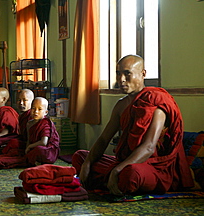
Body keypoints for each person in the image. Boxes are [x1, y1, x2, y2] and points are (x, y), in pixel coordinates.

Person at [72, 55, 194, 196]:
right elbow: (104, 139)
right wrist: (88, 162)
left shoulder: (155, 103)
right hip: (125, 161)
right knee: (80, 156)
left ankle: (112, 180)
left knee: (130, 175)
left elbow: (148, 147)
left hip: (151, 165)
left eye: (127, 73)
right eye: (118, 74)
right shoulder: (121, 105)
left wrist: (117, 170)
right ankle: (111, 181)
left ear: (143, 74)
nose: (121, 79)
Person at [0, 97, 60, 169]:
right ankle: (30, 158)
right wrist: (27, 149)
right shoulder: (29, 123)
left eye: (39, 109)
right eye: (33, 108)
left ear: (46, 112)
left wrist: (29, 147)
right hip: (32, 147)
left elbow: (44, 142)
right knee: (14, 142)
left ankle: (32, 160)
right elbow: (28, 139)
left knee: (39, 150)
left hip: (46, 150)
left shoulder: (46, 123)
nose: (36, 111)